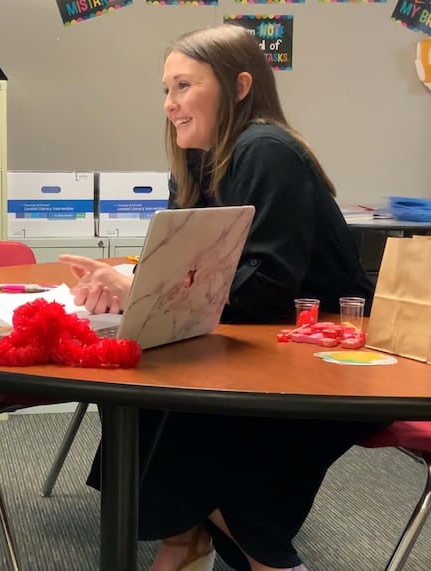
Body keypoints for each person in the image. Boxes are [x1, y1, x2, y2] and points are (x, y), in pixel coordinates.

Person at [60, 25, 382, 571]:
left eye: (183, 86)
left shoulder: (266, 151)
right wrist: (128, 282)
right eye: (166, 91)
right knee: (144, 401)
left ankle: (237, 544)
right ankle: (191, 538)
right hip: (262, 347)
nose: (169, 105)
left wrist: (142, 289)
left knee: (178, 423)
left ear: (238, 86)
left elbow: (265, 290)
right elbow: (187, 266)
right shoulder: (197, 160)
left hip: (329, 360)